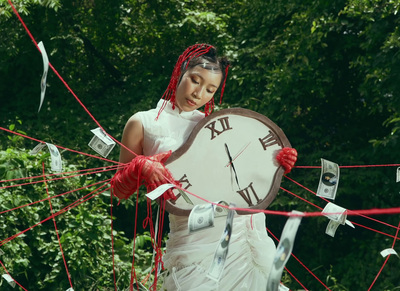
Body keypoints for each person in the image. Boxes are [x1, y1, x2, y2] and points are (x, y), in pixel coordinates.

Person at [111, 43, 297, 290]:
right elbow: (118, 190)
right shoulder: (142, 123)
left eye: (210, 89)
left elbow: (242, 167)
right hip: (191, 240)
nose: (199, 94)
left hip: (242, 233)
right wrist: (140, 166)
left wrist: (276, 159)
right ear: (180, 73)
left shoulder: (218, 125)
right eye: (195, 80)